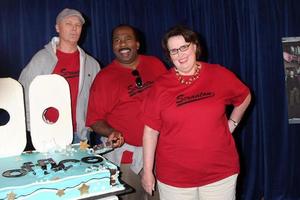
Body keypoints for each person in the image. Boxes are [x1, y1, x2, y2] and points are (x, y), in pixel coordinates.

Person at [141, 25, 251, 200]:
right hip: (174, 178)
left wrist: (233, 123)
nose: (180, 54)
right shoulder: (160, 86)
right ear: (169, 56)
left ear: (194, 46)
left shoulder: (218, 74)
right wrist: (147, 171)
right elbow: (150, 132)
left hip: (220, 172)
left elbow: (244, 96)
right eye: (174, 51)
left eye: (184, 47)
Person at [86, 24, 167, 200]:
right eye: (117, 40)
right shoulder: (105, 78)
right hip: (127, 158)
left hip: (160, 152)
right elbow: (94, 120)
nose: (122, 44)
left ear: (137, 44)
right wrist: (111, 132)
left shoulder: (156, 65)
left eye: (127, 38)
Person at [18, 8, 100, 150]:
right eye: (68, 23)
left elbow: (98, 100)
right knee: (52, 171)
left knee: (81, 171)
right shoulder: (41, 59)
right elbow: (22, 91)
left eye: (78, 25)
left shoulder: (91, 64)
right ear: (57, 27)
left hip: (80, 135)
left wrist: (90, 125)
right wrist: (33, 127)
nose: (74, 29)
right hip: (48, 134)